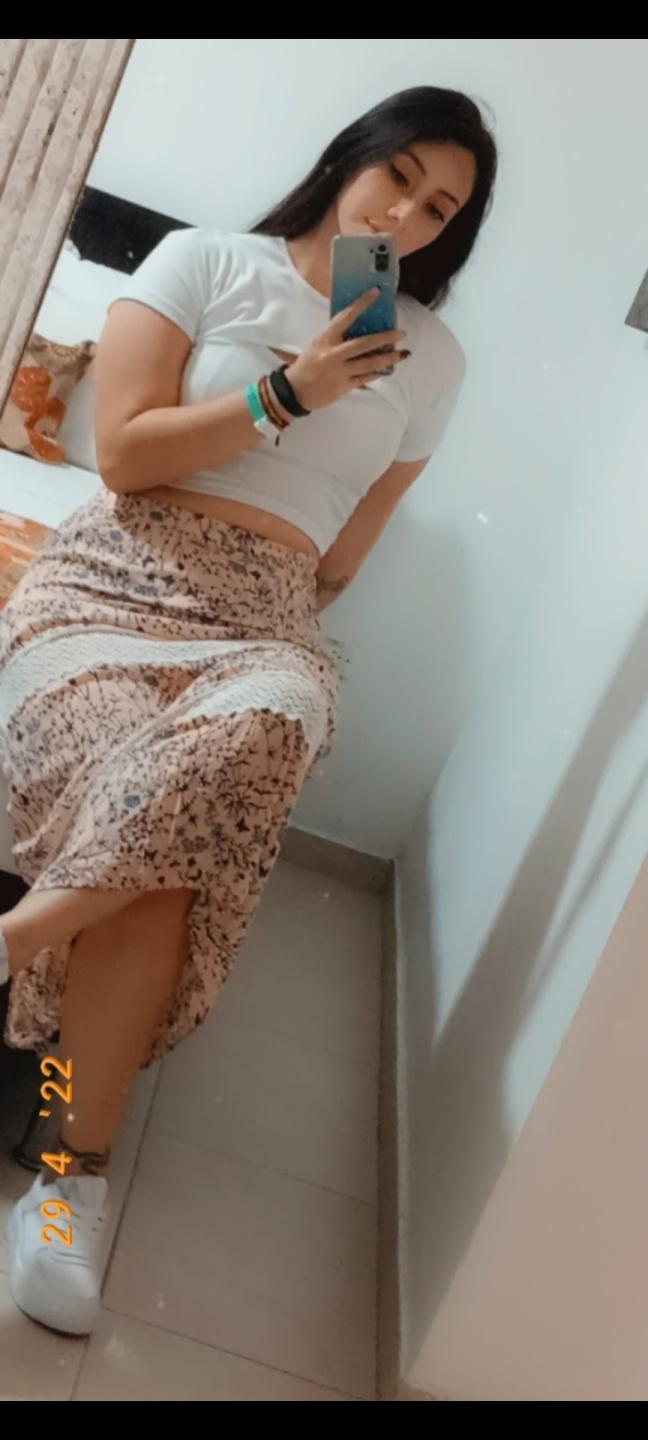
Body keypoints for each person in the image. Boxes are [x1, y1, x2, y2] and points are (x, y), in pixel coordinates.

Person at [0, 84, 497, 1334]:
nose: (408, 217)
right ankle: (68, 1183)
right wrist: (291, 394)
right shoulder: (205, 264)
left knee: (272, 723)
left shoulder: (433, 362)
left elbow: (346, 552)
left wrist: (273, 584)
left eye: (441, 210)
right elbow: (123, 455)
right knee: (170, 840)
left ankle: (16, 942)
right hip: (117, 573)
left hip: (266, 614)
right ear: (351, 160)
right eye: (400, 179)